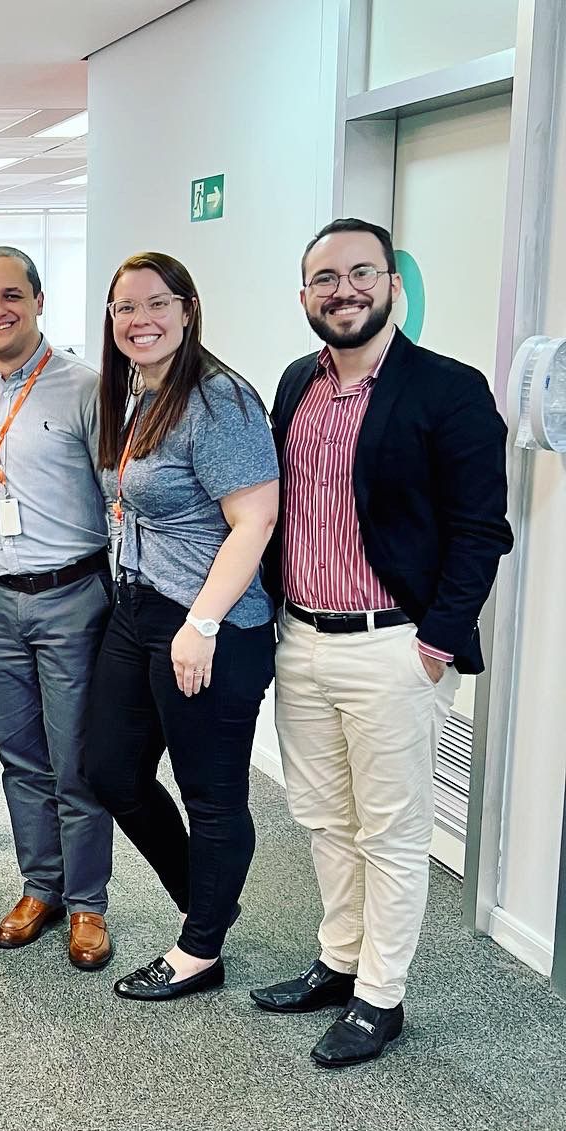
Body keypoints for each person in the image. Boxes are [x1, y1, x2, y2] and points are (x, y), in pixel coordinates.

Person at [253, 218, 512, 1067]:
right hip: (301, 638)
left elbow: (482, 530)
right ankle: (338, 960)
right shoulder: (296, 382)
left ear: (391, 284)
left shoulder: (449, 388)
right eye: (326, 279)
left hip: (394, 648)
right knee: (324, 818)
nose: (345, 291)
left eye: (362, 273)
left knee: (392, 832)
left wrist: (436, 642)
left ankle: (380, 996)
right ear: (304, 295)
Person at [83, 253, 278, 1001]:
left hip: (207, 619)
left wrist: (202, 622)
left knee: (211, 791)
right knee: (111, 771)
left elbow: (255, 520)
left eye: (157, 303)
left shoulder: (219, 398)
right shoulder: (139, 391)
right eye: (126, 307)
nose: (141, 320)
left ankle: (199, 949)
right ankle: (209, 903)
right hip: (137, 607)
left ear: (188, 308)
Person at [0, 246, 115, 970]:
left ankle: (88, 902)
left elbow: (120, 497)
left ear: (38, 300)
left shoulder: (86, 386)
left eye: (11, 295)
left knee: (76, 758)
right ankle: (40, 886)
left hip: (71, 596)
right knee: (19, 757)